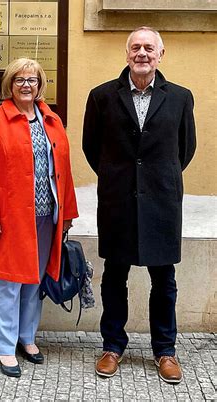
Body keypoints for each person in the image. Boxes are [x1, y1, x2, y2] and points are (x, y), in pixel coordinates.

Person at [82, 27, 196, 384]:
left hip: (162, 203)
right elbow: (91, 148)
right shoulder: (102, 96)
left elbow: (184, 150)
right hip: (117, 202)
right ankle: (112, 346)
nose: (142, 53)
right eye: (136, 47)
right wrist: (119, 178)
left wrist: (156, 181)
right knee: (115, 277)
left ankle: (165, 350)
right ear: (127, 53)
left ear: (162, 54)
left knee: (164, 279)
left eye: (149, 47)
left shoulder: (180, 97)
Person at [0, 58, 79, 378]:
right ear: (10, 84)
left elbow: (65, 170)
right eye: (19, 79)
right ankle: (6, 347)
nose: (26, 85)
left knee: (34, 280)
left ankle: (27, 337)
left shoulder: (51, 120)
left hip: (47, 214)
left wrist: (67, 214)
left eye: (32, 80)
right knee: (8, 282)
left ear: (40, 85)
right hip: (10, 217)